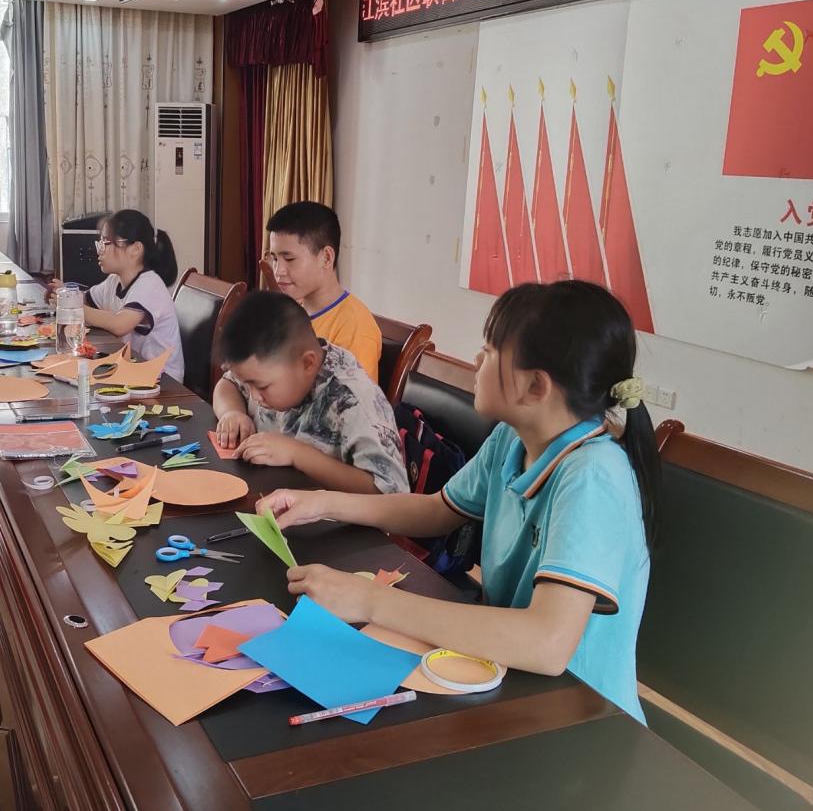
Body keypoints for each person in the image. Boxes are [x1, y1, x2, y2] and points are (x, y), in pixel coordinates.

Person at [258, 281, 659, 723]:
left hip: (579, 713)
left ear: (536, 386)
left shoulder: (592, 476)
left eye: (490, 350)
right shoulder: (512, 438)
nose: (477, 359)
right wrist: (323, 503)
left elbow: (547, 644)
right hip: (503, 674)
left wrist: (370, 601)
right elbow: (437, 510)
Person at [212, 290, 408, 494]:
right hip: (270, 492)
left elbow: (390, 495)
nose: (254, 396)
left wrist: (296, 454)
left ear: (307, 363)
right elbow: (228, 384)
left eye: (262, 387)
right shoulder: (267, 368)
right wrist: (232, 412)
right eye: (248, 385)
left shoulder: (354, 402)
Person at [49, 209, 184, 383]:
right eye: (100, 243)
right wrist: (65, 293)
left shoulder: (150, 285)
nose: (100, 250)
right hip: (133, 370)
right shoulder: (114, 281)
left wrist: (72, 307)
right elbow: (86, 300)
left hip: (163, 380)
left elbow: (119, 324)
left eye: (106, 242)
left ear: (135, 249)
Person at [265, 201, 382, 382]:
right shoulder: (289, 312)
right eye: (274, 259)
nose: (278, 271)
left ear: (326, 258)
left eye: (289, 259)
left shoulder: (354, 329)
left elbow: (346, 398)